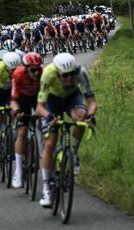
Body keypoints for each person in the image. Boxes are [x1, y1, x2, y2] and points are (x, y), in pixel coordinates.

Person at [36, 53, 97, 207]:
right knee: (50, 144)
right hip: (52, 101)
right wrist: (49, 116)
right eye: (64, 76)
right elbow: (39, 107)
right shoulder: (48, 74)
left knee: (80, 117)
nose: (69, 79)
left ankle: (74, 155)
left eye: (71, 74)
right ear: (57, 72)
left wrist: (90, 116)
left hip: (72, 98)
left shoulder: (81, 72)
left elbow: (92, 102)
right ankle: (47, 188)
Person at [11, 52, 44, 188]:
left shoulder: (43, 73)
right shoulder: (18, 74)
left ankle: (41, 153)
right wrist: (17, 111)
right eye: (33, 70)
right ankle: (18, 170)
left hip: (37, 97)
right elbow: (13, 99)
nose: (36, 73)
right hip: (22, 99)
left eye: (38, 69)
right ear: (26, 69)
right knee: (22, 131)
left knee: (42, 122)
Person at [0, 52, 22, 166]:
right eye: (10, 70)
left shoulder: (20, 68)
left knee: (15, 112)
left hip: (12, 91)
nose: (13, 72)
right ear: (6, 66)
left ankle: (11, 133)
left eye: (15, 69)